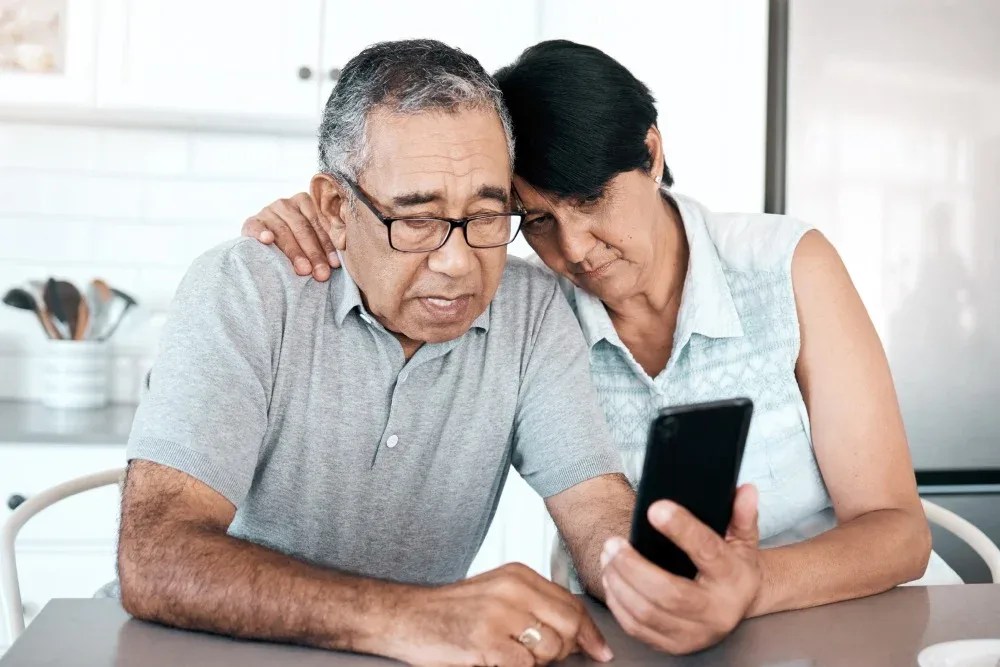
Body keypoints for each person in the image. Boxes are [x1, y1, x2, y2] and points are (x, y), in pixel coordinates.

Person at [244, 39, 955, 655]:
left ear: (651, 152)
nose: (576, 248)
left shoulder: (784, 267)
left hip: (845, 627)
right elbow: (412, 238)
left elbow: (899, 532)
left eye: (591, 201)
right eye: (537, 220)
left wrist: (752, 584)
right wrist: (328, 222)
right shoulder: (525, 308)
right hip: (636, 636)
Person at [116, 40, 645, 666]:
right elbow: (155, 558)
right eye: (417, 220)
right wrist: (414, 616)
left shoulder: (530, 310)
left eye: (485, 215)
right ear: (336, 209)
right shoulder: (246, 289)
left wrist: (652, 578)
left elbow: (595, 505)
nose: (458, 264)